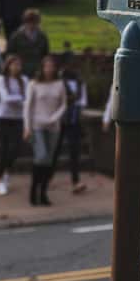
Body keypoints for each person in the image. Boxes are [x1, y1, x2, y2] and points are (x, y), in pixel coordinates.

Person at [24, 54, 67, 206]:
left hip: (53, 126)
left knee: (49, 161)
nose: (49, 69)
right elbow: (27, 106)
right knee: (41, 156)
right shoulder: (33, 84)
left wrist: (55, 118)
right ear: (42, 68)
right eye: (46, 66)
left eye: (52, 66)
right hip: (37, 126)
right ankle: (33, 190)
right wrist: (27, 127)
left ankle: (43, 192)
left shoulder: (59, 84)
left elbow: (63, 104)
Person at [53, 46, 89, 195]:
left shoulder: (79, 81)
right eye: (68, 63)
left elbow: (83, 101)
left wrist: (76, 105)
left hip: (74, 120)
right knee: (55, 150)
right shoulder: (58, 80)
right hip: (59, 120)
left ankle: (75, 181)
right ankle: (47, 177)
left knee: (74, 151)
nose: (71, 66)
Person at [0, 54, 28, 196]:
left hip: (19, 118)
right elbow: (5, 98)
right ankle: (1, 179)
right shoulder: (1, 79)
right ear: (8, 66)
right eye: (13, 64)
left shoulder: (24, 80)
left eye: (19, 65)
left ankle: (7, 172)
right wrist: (20, 99)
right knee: (5, 148)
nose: (16, 67)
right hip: (4, 117)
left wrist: (19, 100)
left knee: (16, 147)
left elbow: (28, 99)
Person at [7, 9, 49, 80]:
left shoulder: (42, 36)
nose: (32, 25)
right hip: (21, 71)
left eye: (35, 22)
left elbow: (45, 54)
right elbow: (10, 54)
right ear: (25, 22)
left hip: (37, 71)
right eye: (30, 22)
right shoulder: (16, 36)